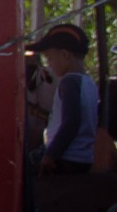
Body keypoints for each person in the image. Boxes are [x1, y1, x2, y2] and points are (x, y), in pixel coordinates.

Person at [29, 25, 97, 175]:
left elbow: (71, 122)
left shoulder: (69, 82)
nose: (49, 65)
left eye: (49, 58)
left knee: (22, 167)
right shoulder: (88, 82)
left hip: (66, 156)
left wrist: (51, 155)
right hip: (83, 157)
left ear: (65, 55)